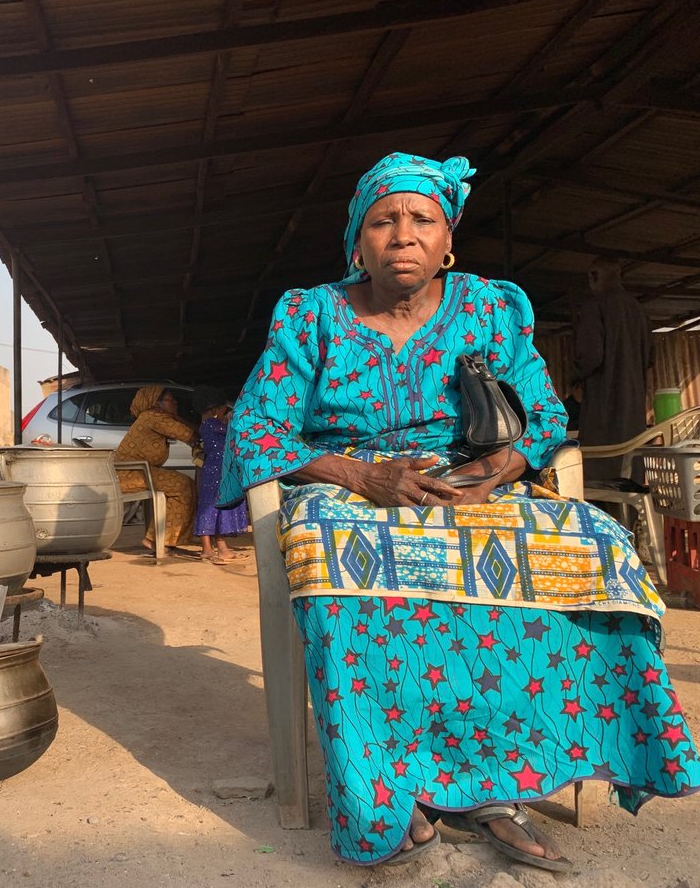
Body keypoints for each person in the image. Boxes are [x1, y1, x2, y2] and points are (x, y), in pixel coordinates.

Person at [218, 152, 698, 870]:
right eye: (383, 221)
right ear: (358, 243)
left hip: (468, 481)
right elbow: (257, 428)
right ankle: (394, 789)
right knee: (333, 548)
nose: (403, 235)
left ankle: (495, 786)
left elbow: (543, 415)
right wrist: (363, 476)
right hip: (349, 484)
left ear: (450, 242)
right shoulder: (309, 314)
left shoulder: (487, 308)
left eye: (422, 220)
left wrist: (495, 472)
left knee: (595, 545)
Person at [574, 256, 655, 480]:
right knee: (630, 476)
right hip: (634, 414)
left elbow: (591, 356)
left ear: (594, 276)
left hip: (604, 411)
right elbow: (649, 361)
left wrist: (577, 376)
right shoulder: (639, 311)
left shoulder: (595, 306)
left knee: (600, 479)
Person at [114, 385, 198, 553]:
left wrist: (176, 417)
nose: (175, 402)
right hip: (129, 474)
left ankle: (165, 539)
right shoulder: (154, 417)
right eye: (169, 400)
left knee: (180, 484)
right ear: (156, 404)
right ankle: (158, 540)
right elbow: (190, 434)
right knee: (183, 485)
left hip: (136, 472)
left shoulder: (153, 417)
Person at [192, 386, 249, 564]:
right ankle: (208, 549)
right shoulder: (212, 425)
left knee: (215, 508)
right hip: (217, 471)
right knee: (211, 507)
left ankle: (219, 548)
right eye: (225, 408)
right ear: (215, 410)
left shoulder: (208, 425)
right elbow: (234, 431)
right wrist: (233, 419)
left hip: (216, 470)